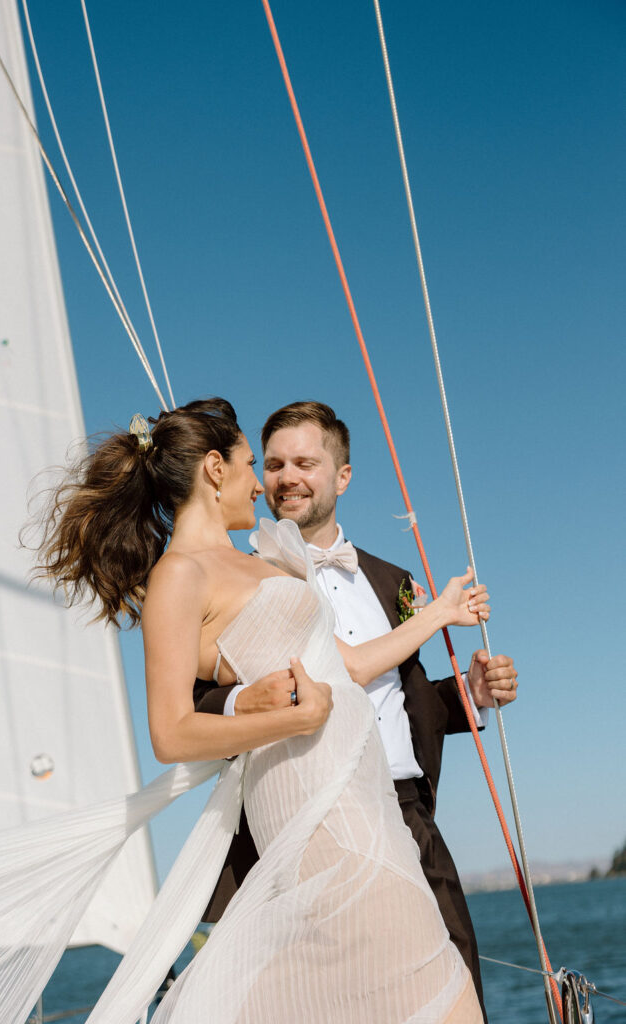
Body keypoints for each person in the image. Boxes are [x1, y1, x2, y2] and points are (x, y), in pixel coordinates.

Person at [194, 400, 519, 1021]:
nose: (287, 476)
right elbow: (197, 700)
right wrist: (245, 699)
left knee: (455, 980)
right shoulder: (236, 574)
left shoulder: (390, 579)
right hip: (295, 826)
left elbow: (394, 697)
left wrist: (468, 696)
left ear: (342, 476)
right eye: (275, 463)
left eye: (306, 463)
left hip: (403, 809)